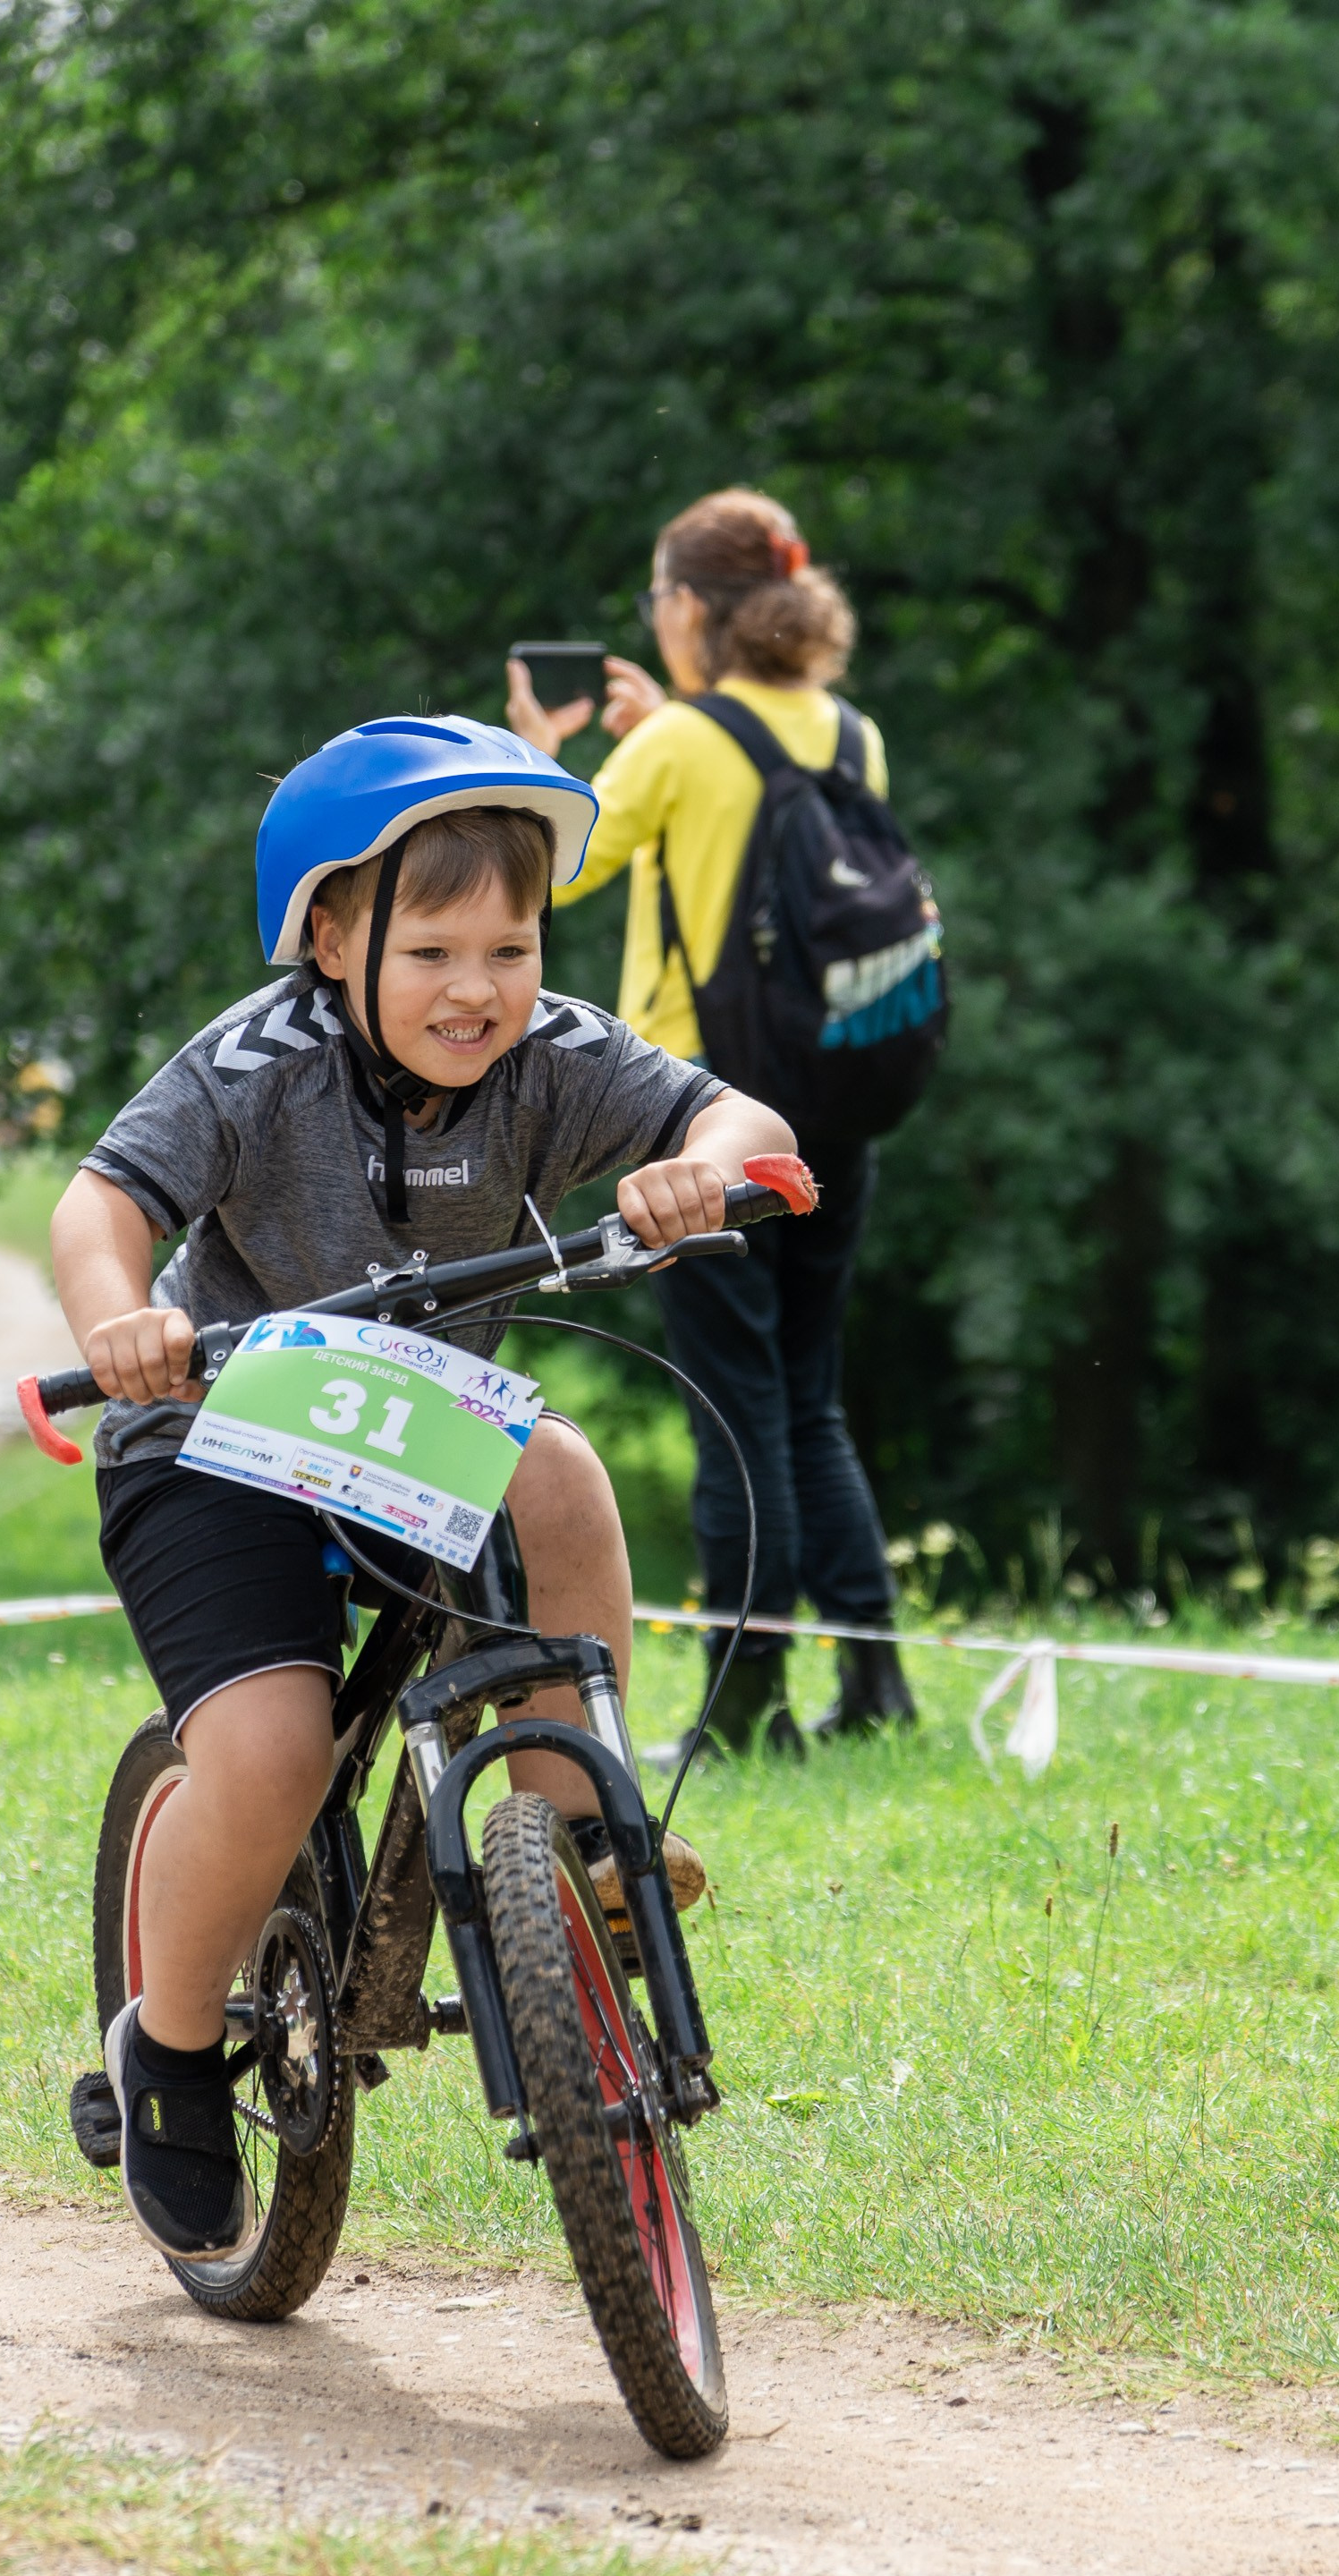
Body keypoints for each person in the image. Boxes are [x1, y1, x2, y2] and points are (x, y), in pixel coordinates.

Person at [49, 714, 794, 2264]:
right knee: (272, 1752)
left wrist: (699, 1165)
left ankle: (570, 1834)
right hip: (212, 1435)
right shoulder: (255, 1068)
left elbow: (747, 1123)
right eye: (434, 947)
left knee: (565, 1478)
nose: (479, 988)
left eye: (511, 947)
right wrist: (120, 1318)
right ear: (328, 938)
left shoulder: (554, 1056)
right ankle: (173, 2048)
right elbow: (101, 1200)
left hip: (403, 1425)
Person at [505, 488, 916, 1758]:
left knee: (734, 1409)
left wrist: (542, 750)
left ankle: (745, 1711)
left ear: (686, 608)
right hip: (832, 1104)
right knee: (808, 1399)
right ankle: (874, 1686)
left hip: (708, 1125)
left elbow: (547, 863)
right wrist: (653, 732)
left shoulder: (680, 745)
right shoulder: (849, 731)